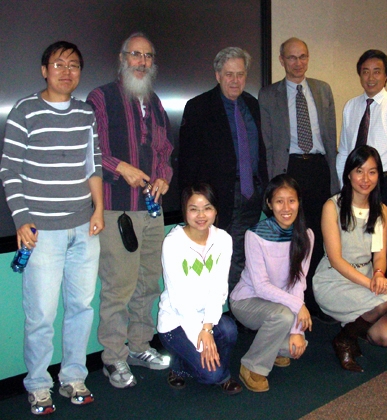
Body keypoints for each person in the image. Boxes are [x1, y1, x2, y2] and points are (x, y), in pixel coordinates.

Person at [0, 41, 103, 415]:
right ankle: (39, 385)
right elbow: (9, 169)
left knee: (81, 307)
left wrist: (99, 210)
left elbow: (93, 164)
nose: (66, 71)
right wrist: (21, 218)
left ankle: (74, 377)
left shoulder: (85, 113)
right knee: (41, 314)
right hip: (41, 232)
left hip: (83, 227)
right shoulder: (25, 111)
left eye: (73, 65)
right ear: (44, 70)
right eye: (58, 64)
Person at [86, 32, 173, 388]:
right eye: (135, 54)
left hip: (152, 211)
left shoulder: (153, 101)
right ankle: (113, 358)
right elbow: (90, 151)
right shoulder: (101, 97)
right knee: (118, 287)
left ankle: (139, 346)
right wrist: (121, 167)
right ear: (122, 58)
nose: (141, 61)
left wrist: (164, 177)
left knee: (149, 284)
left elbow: (165, 149)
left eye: (148, 56)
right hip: (116, 209)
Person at [258, 37, 339, 323]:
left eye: (303, 56)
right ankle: (292, 299)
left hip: (319, 168)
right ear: (281, 60)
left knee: (318, 234)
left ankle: (315, 297)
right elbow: (268, 144)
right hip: (288, 169)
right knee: (292, 237)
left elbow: (331, 138)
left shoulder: (322, 90)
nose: (298, 63)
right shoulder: (268, 95)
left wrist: (335, 178)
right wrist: (273, 184)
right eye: (291, 57)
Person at [178, 46, 268, 295]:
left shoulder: (252, 105)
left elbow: (260, 151)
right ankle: (216, 320)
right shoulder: (198, 107)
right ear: (217, 75)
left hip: (251, 195)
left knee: (245, 257)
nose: (235, 80)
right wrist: (189, 204)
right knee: (215, 259)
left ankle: (240, 311)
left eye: (240, 74)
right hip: (218, 199)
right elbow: (187, 161)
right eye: (229, 74)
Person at [314, 145, 387, 373]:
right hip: (334, 279)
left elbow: (380, 255)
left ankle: (346, 334)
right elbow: (336, 259)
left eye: (372, 172)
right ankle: (345, 341)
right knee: (381, 301)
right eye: (359, 171)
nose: (365, 178)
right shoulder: (332, 206)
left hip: (366, 276)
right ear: (349, 173)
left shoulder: (381, 210)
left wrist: (379, 274)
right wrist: (371, 284)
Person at [336, 50, 387, 297]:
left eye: (377, 71)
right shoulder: (351, 106)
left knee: (385, 248)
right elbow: (344, 151)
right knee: (356, 244)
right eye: (365, 71)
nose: (370, 77)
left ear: (386, 76)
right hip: (355, 186)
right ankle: (360, 302)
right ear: (360, 74)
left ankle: (386, 304)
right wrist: (343, 189)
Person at [230, 175, 314, 392]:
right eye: (279, 201)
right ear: (269, 204)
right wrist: (298, 308)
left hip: (281, 304)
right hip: (247, 300)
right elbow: (261, 287)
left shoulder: (307, 235)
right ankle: (251, 366)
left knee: (297, 345)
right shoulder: (255, 235)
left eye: (292, 200)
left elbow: (298, 282)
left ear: (299, 202)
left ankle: (275, 349)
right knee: (282, 316)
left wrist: (297, 330)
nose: (286, 208)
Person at [157, 183, 242, 395]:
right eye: (194, 208)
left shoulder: (223, 239)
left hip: (205, 319)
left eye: (207, 208)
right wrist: (200, 334)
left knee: (230, 330)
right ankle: (198, 369)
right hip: (175, 322)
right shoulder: (173, 242)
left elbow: (219, 288)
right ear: (185, 211)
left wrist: (206, 328)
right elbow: (178, 300)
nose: (201, 215)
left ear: (215, 210)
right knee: (212, 376)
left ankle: (188, 364)